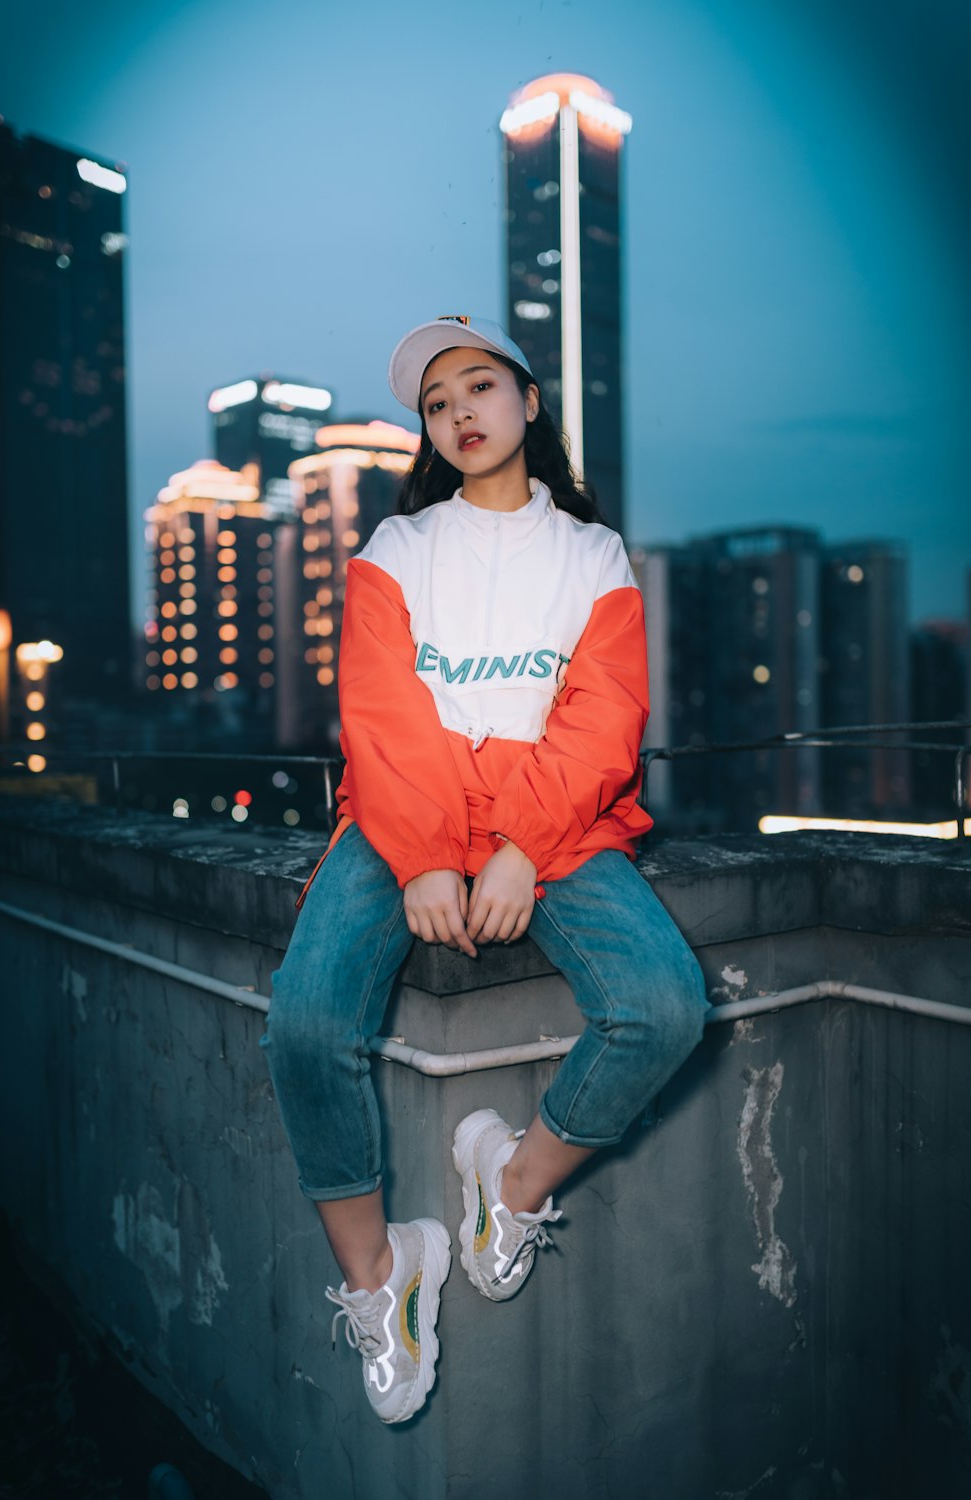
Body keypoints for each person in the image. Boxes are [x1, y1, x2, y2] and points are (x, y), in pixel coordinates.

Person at [260, 315, 709, 1425]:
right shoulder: (397, 551)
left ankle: (507, 1185)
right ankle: (383, 1274)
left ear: (527, 404)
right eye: (436, 402)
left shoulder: (592, 556)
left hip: (550, 821)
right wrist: (421, 856)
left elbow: (604, 719)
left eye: (479, 387)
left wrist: (517, 849)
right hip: (403, 815)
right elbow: (380, 712)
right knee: (307, 1025)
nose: (459, 413)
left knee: (660, 1007)